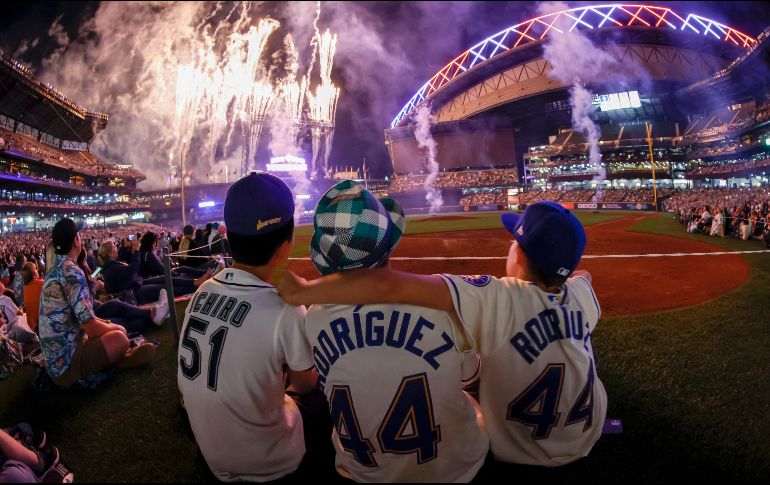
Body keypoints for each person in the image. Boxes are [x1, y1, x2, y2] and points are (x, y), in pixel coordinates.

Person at [279, 201, 607, 467]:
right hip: (586, 436)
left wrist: (304, 293)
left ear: (519, 253)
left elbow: (387, 286)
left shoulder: (497, 295)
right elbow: (585, 275)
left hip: (518, 451)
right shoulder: (581, 294)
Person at [298, 181, 488, 481]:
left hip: (359, 473)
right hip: (455, 473)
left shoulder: (315, 317)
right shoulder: (442, 304)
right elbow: (469, 376)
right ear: (388, 244)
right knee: (473, 398)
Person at [178, 173, 323, 482]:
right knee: (324, 390)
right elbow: (306, 385)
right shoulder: (286, 308)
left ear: (228, 237)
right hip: (271, 466)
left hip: (212, 456)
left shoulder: (202, 292)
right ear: (288, 243)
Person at [38, 218, 156, 388]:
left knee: (115, 329)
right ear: (76, 241)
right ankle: (122, 357)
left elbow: (85, 318)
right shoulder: (72, 272)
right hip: (66, 365)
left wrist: (108, 324)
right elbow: (91, 329)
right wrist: (117, 329)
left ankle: (119, 357)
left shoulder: (54, 270)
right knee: (120, 337)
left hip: (56, 360)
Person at [98, 240, 209, 305]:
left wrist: (125, 247)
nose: (116, 249)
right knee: (165, 287)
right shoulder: (111, 268)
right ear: (110, 253)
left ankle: (195, 282)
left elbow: (124, 258)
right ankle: (197, 287)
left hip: (137, 283)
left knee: (164, 278)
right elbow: (133, 269)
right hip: (134, 292)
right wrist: (136, 251)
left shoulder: (112, 263)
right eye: (114, 247)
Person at [21, 262, 44, 332]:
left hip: (30, 328)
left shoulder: (25, 288)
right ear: (33, 274)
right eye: (36, 269)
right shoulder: (41, 284)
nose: (38, 270)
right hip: (40, 327)